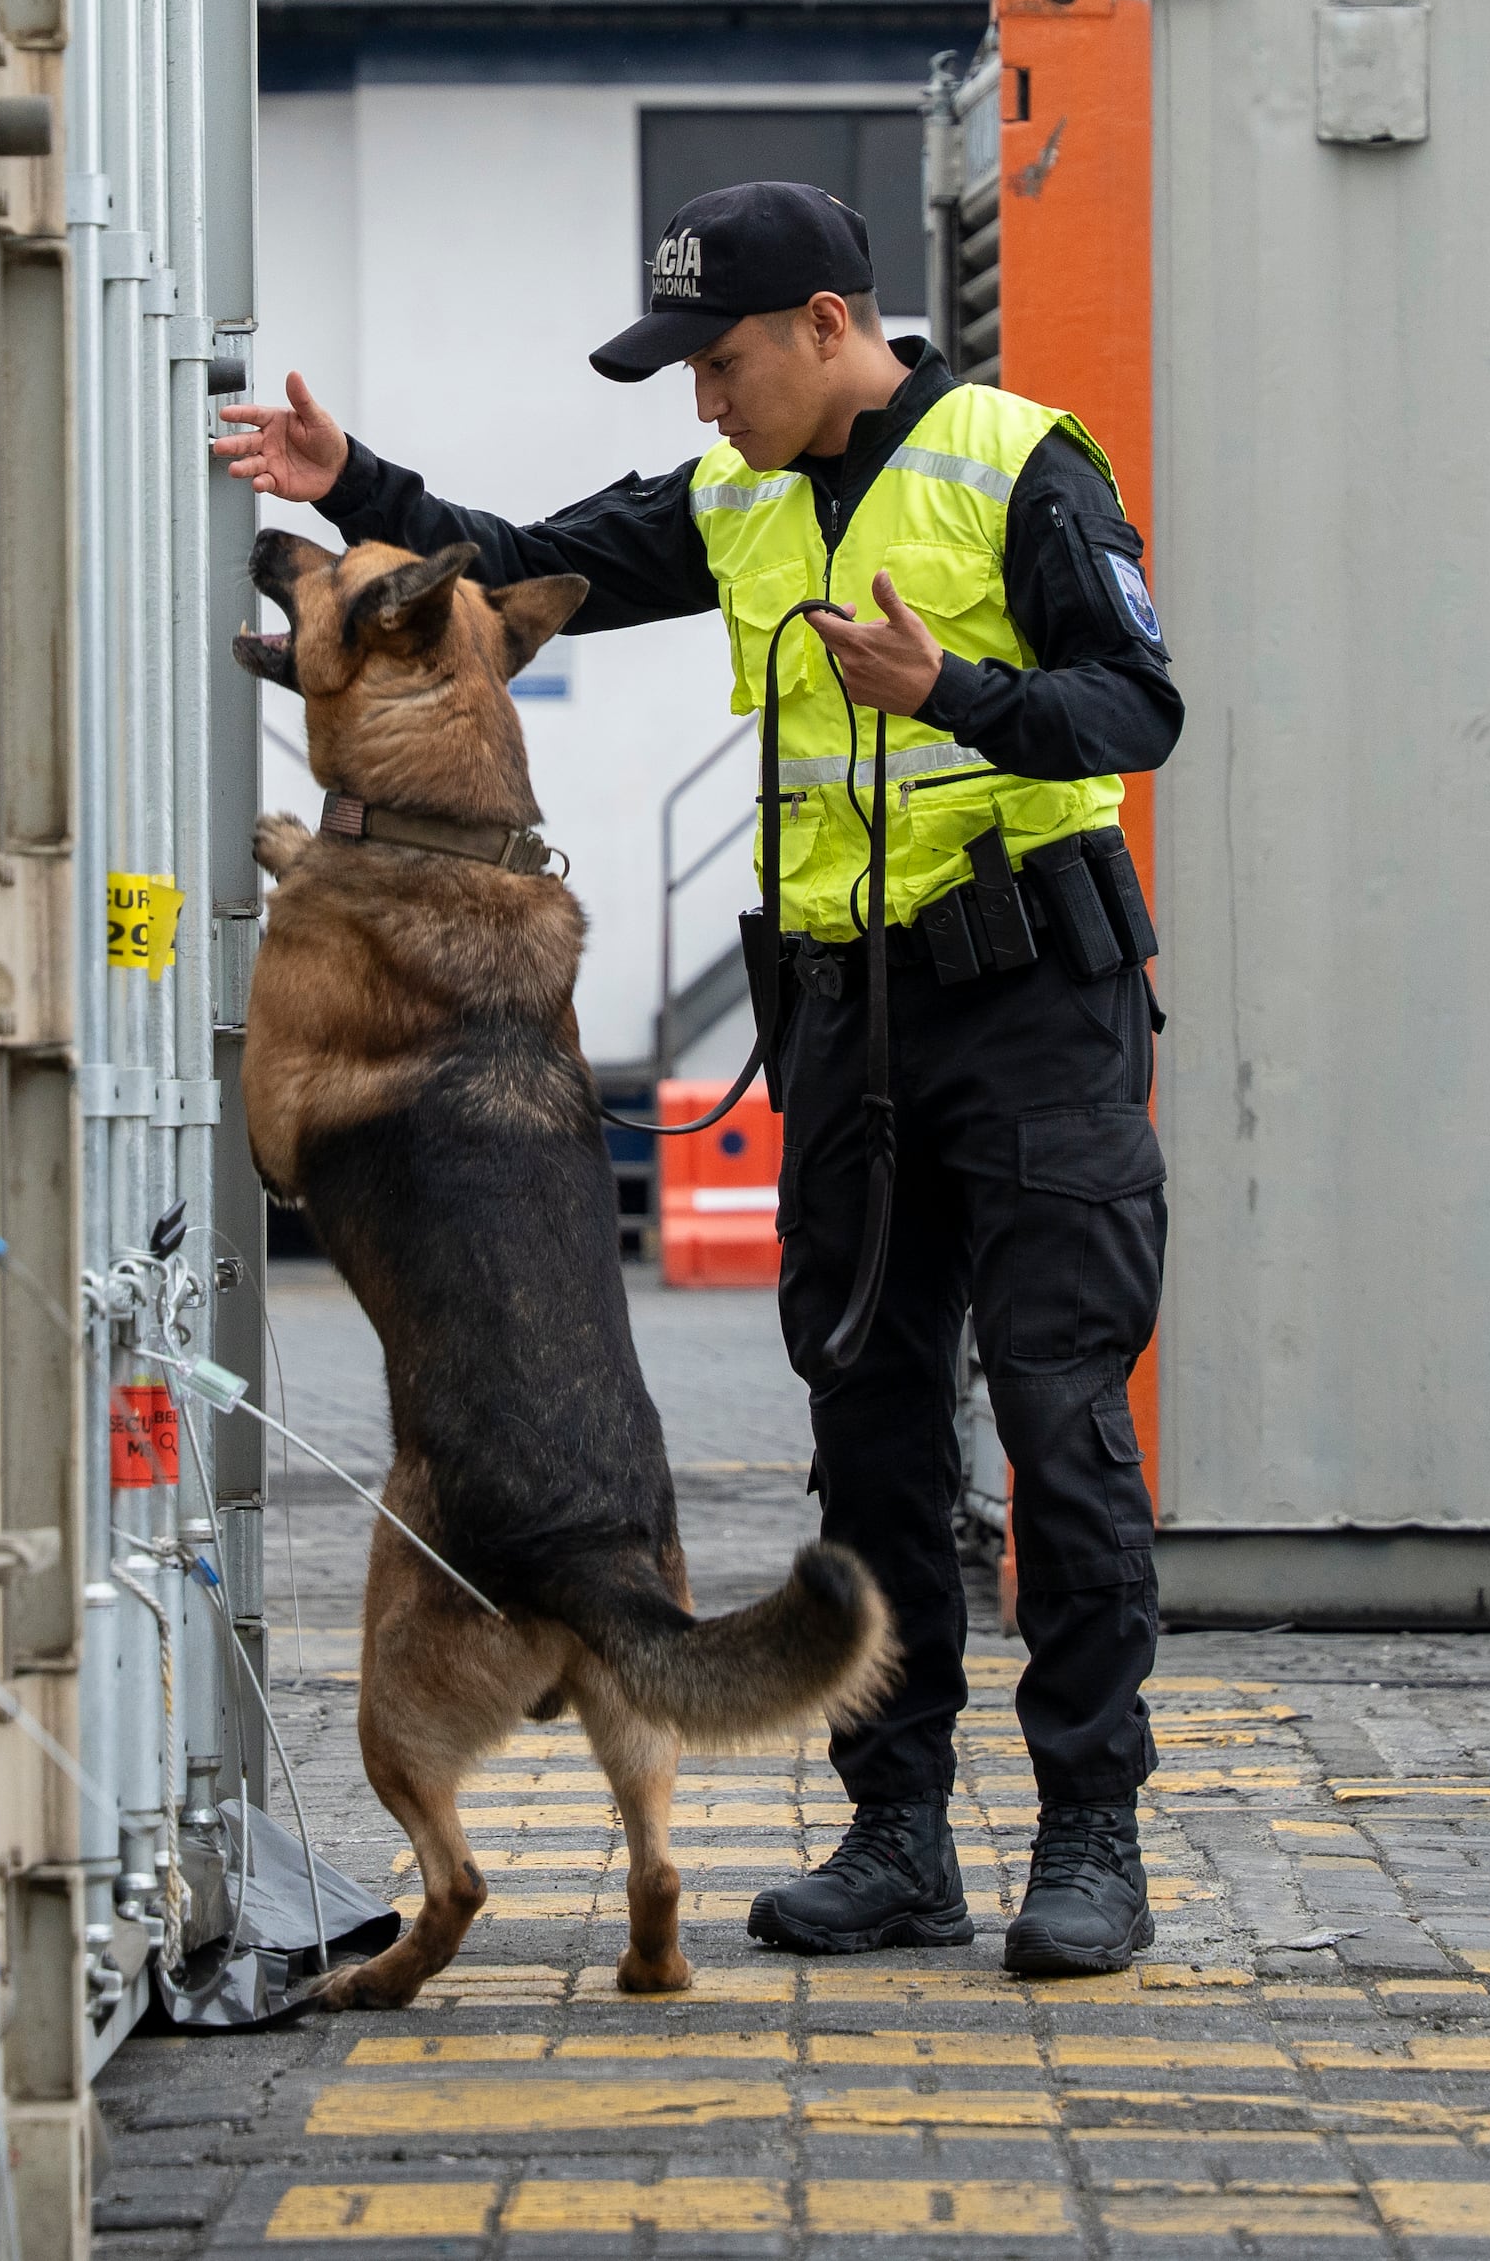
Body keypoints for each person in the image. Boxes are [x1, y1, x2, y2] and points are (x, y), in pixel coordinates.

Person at [215, 178, 1184, 1974]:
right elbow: (483, 573)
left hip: (1035, 1007)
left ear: (831, 324)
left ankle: (1091, 1839)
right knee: (871, 1431)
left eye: (722, 359)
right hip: (848, 1025)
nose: (702, 401)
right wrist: (351, 480)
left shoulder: (1019, 463)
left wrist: (956, 688)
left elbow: (1139, 703)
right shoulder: (735, 496)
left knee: (1061, 1427)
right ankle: (900, 1839)